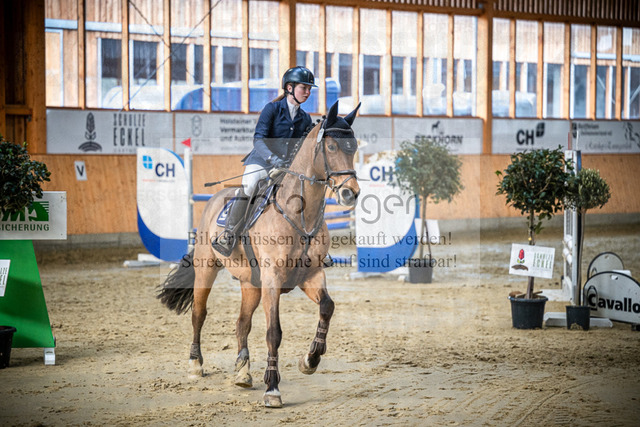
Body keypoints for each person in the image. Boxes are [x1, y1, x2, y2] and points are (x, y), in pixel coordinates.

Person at [214, 66, 316, 255]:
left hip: (286, 168)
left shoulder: (305, 118)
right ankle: (229, 234)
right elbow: (258, 139)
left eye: (310, 89)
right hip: (262, 161)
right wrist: (273, 159)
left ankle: (313, 242)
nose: (308, 92)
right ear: (290, 88)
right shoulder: (272, 109)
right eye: (304, 88)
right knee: (251, 185)